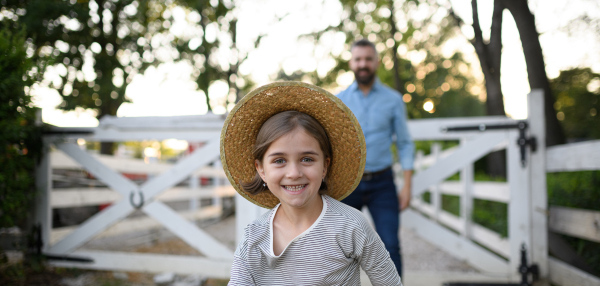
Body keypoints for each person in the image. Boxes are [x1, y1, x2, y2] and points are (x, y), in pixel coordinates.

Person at [220, 82, 403, 285]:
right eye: (279, 160)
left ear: (325, 166)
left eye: (307, 159)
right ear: (261, 169)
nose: (294, 173)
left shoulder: (351, 226)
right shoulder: (254, 237)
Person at [337, 39, 415, 277]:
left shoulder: (393, 99)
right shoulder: (339, 100)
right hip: (349, 184)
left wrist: (407, 186)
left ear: (377, 62)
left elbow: (404, 143)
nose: (363, 64)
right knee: (341, 249)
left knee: (390, 244)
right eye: (358, 59)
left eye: (368, 59)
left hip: (383, 183)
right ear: (351, 63)